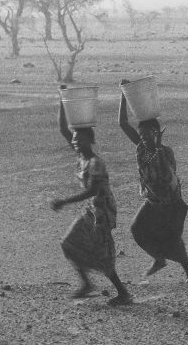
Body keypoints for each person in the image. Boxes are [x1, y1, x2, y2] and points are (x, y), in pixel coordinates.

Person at [48, 95, 132, 306]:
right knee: (69, 243)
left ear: (91, 140)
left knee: (98, 251)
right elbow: (64, 129)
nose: (75, 141)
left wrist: (64, 201)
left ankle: (121, 292)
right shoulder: (82, 157)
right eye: (75, 139)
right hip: (92, 210)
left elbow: (92, 191)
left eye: (80, 138)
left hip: (101, 211)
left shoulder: (95, 162)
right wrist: (62, 99)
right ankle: (89, 284)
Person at [119, 84, 188, 283]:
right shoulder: (142, 149)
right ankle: (159, 259)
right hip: (153, 202)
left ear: (156, 132)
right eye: (141, 135)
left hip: (170, 204)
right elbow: (123, 124)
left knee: (174, 239)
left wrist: (159, 148)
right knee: (137, 229)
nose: (143, 138)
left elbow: (167, 176)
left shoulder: (165, 152)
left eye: (147, 134)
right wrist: (123, 94)